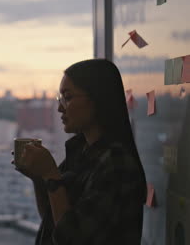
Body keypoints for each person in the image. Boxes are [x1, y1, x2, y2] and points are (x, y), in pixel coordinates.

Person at [14, 59, 147, 244]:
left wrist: (50, 174)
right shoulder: (80, 151)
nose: (60, 108)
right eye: (60, 99)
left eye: (67, 98)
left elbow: (71, 238)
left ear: (97, 98)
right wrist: (38, 178)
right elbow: (53, 220)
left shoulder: (116, 163)